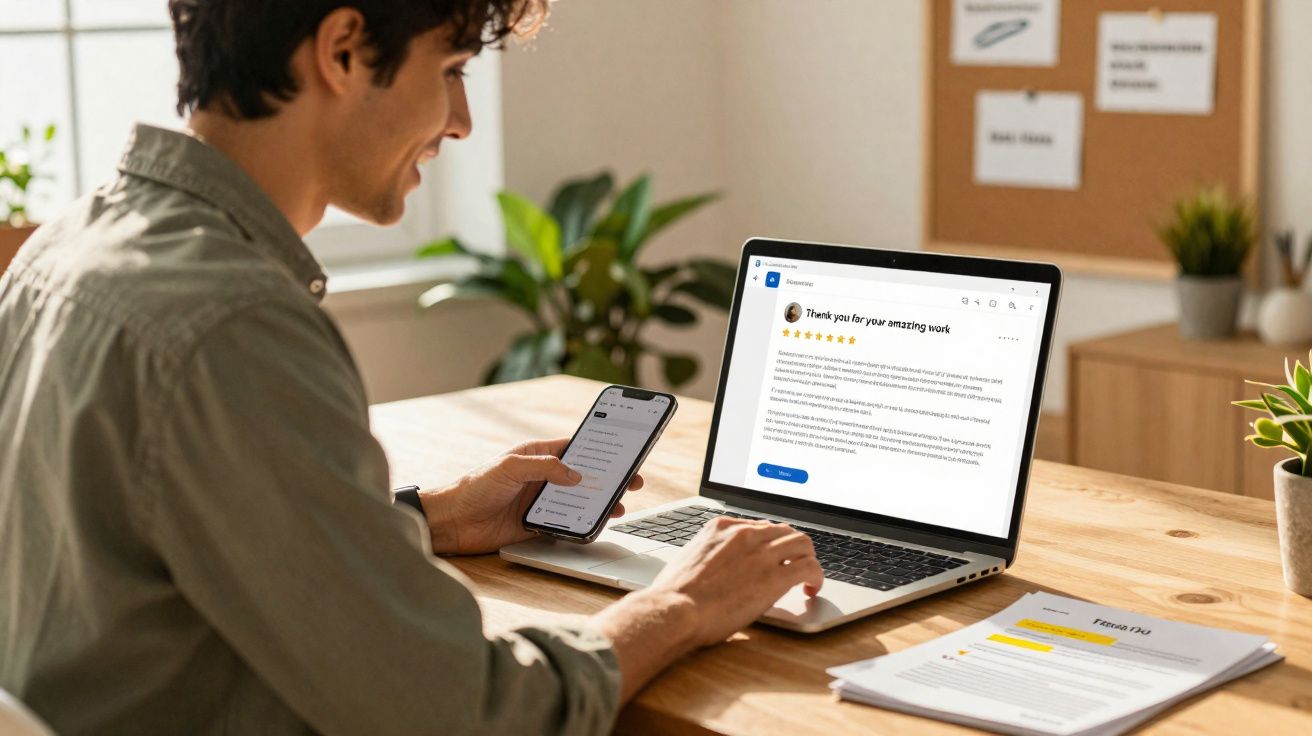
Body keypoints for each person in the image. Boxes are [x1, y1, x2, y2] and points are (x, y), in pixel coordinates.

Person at [0, 1, 824, 734]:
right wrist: (683, 603)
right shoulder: (233, 323)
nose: (462, 120)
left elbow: (166, 535)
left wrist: (433, 518)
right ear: (344, 48)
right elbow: (465, 712)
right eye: (453, 69)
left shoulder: (72, 247)